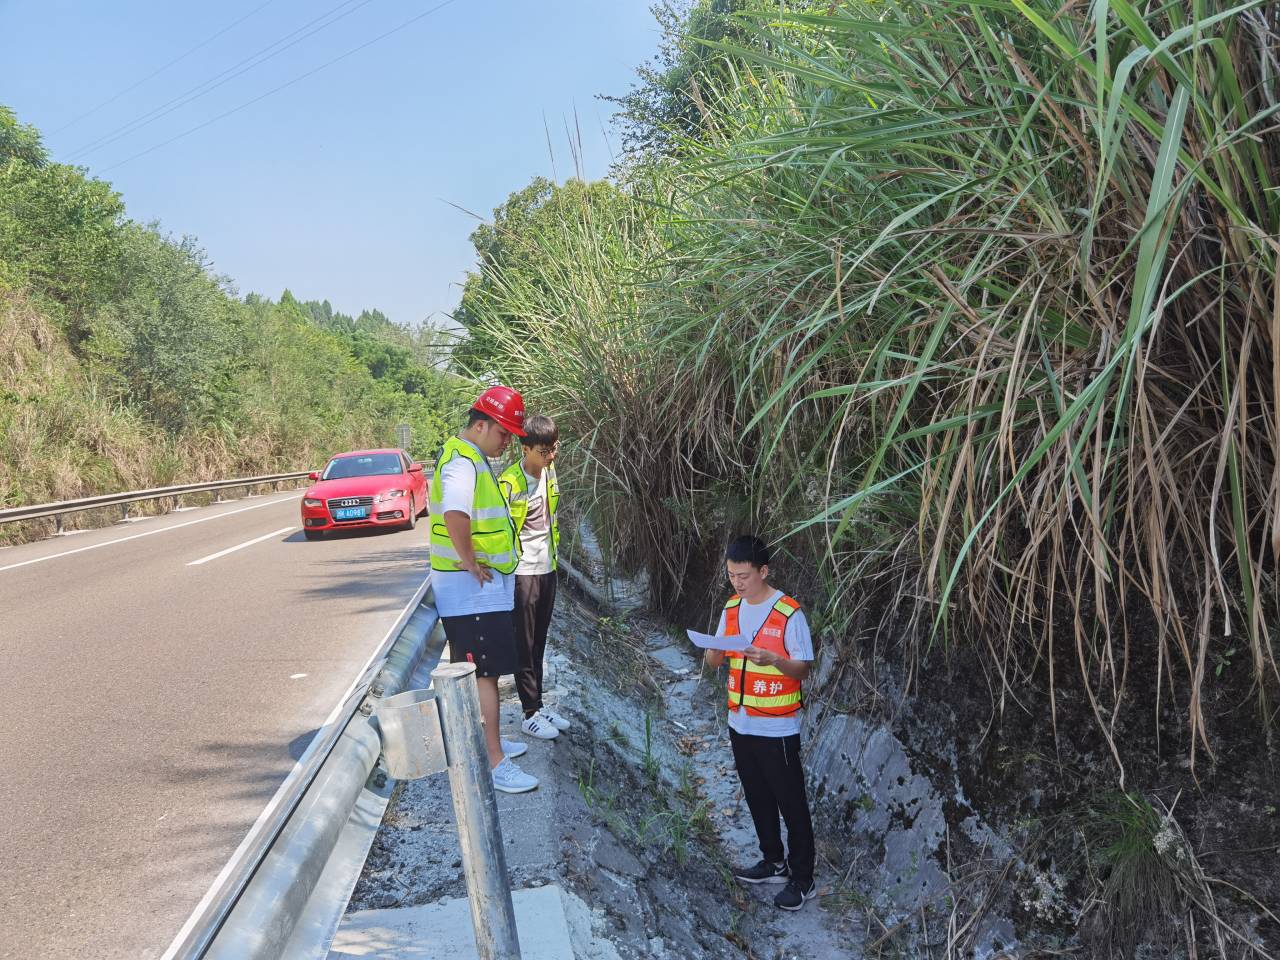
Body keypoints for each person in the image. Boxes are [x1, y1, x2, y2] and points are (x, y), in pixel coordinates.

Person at [428, 385, 537, 794]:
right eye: (503, 432)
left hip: (478, 590)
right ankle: (494, 761)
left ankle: (492, 740)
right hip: (469, 590)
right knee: (485, 675)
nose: (507, 441)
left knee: (487, 672)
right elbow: (455, 512)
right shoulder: (462, 463)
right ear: (480, 425)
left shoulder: (472, 458)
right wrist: (471, 560)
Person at [703, 535, 816, 910]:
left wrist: (774, 660)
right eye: (732, 575)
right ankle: (773, 860)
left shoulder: (787, 613)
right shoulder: (731, 608)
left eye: (744, 575)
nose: (737, 582)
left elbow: (802, 668)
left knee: (791, 802)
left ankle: (802, 878)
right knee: (757, 797)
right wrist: (713, 651)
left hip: (778, 728)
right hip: (741, 722)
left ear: (763, 571)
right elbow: (713, 661)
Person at [498, 415, 571, 741]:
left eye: (553, 449)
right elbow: (496, 529)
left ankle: (538, 705)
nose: (550, 456)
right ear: (524, 448)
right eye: (544, 451)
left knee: (539, 641)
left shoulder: (549, 473)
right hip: (522, 573)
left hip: (547, 568)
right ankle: (529, 713)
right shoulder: (510, 483)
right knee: (523, 646)